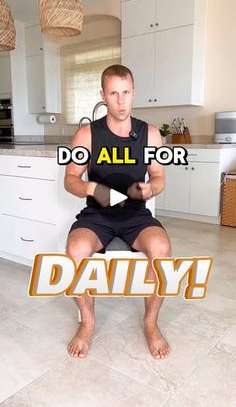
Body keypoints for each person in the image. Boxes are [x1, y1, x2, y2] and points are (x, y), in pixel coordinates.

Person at [64, 64, 171, 360]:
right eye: (114, 93)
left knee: (161, 248)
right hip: (96, 216)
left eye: (126, 93)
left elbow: (160, 178)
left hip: (136, 215)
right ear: (103, 95)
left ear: (134, 93)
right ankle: (87, 323)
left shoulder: (149, 133)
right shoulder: (87, 134)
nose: (121, 100)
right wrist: (94, 190)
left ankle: (150, 324)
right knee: (75, 250)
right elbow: (70, 179)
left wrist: (150, 189)